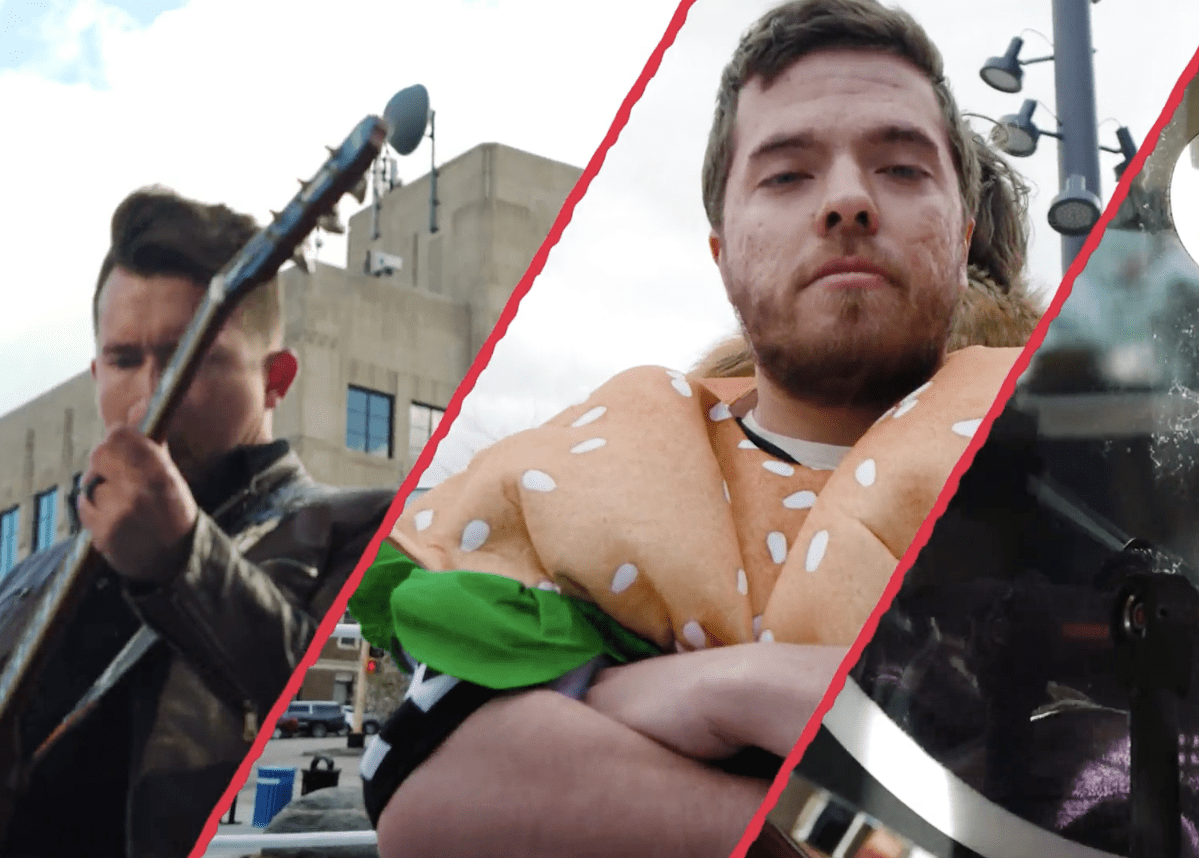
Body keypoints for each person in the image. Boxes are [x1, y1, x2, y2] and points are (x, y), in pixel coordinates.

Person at [351, 2, 1043, 856]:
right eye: (786, 175)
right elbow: (431, 791)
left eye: (901, 169)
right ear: (722, 252)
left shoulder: (1060, 464)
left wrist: (664, 697)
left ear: (963, 230)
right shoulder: (584, 477)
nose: (849, 202)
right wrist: (750, 689)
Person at [0, 187, 395, 858]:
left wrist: (184, 564)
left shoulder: (363, 531)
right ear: (96, 373)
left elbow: (361, 733)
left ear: (276, 379)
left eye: (192, 357)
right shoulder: (24, 586)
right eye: (126, 360)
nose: (152, 389)